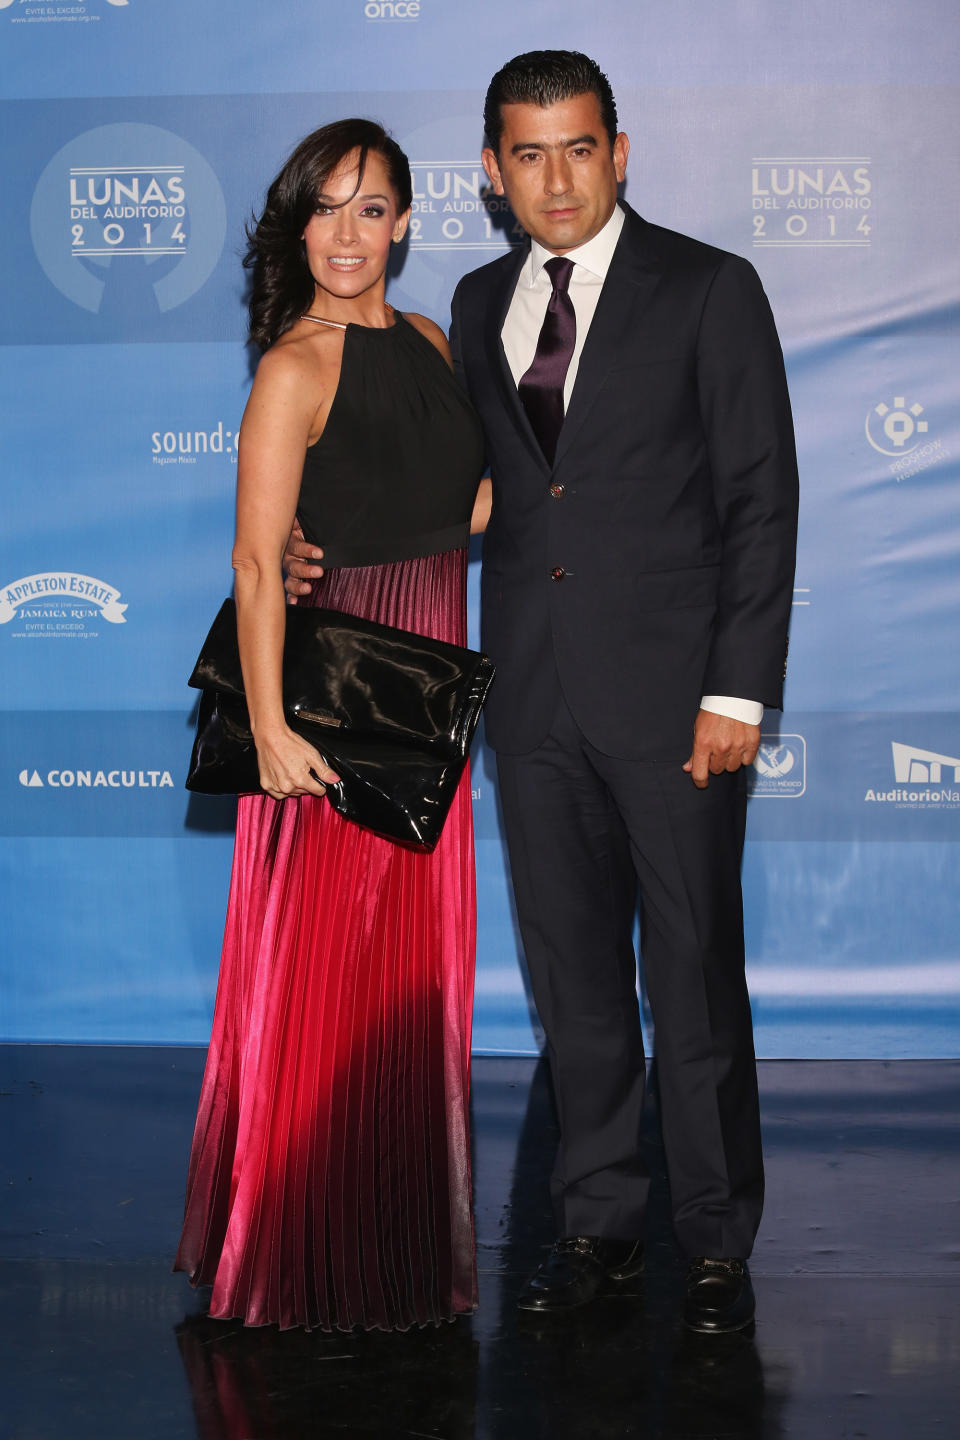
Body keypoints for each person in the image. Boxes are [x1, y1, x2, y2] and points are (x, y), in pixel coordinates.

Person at [285, 52, 799, 1335]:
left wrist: (738, 689)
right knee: (572, 980)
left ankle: (719, 1237)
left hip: (679, 701)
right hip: (533, 701)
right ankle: (600, 1221)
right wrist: (320, 546)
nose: (556, 177)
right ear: (491, 173)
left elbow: (760, 503)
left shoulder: (709, 288)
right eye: (529, 153)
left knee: (690, 971)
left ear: (618, 153)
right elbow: (469, 493)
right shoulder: (469, 298)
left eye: (579, 149)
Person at [174, 119, 487, 1332]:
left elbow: (461, 500)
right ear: (295, 224)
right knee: (326, 982)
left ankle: (396, 1243)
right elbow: (259, 565)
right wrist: (267, 732)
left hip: (426, 687)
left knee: (411, 984)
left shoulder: (428, 339)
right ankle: (304, 1254)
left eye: (371, 209)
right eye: (326, 208)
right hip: (338, 709)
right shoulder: (292, 365)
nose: (347, 234)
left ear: (406, 222)